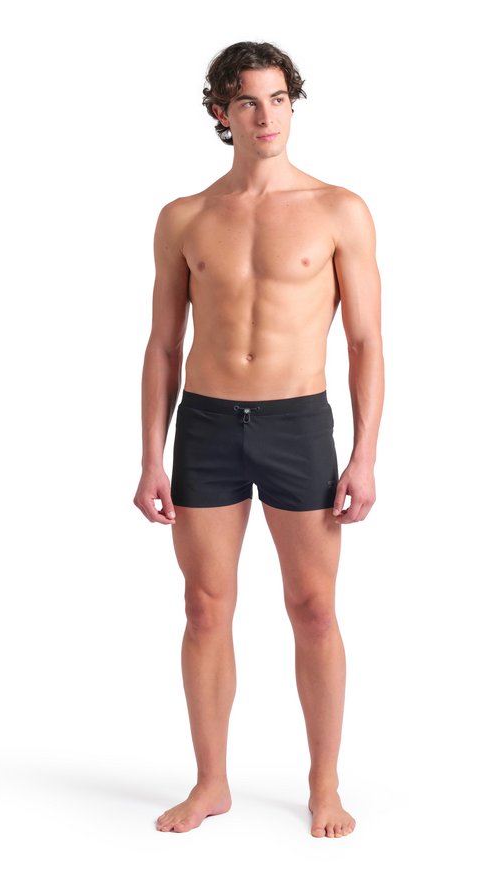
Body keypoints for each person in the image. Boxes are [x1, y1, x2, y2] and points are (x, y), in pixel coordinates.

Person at [133, 40, 384, 839]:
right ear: (221, 112)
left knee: (313, 607)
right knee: (204, 607)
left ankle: (324, 784)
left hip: (296, 423)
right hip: (206, 424)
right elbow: (163, 346)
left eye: (279, 99)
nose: (267, 116)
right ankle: (211, 782)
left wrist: (365, 455)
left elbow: (366, 343)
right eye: (248, 101)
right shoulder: (184, 217)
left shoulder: (339, 209)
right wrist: (150, 456)